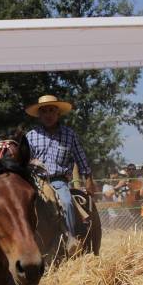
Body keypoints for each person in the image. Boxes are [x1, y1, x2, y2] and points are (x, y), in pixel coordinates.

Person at [24, 95, 95, 238]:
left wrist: (88, 179)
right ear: (39, 115)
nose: (48, 115)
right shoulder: (31, 136)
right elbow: (23, 159)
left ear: (58, 113)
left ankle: (71, 238)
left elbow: (80, 157)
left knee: (67, 202)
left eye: (51, 110)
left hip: (58, 181)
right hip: (35, 180)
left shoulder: (69, 135)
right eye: (44, 111)